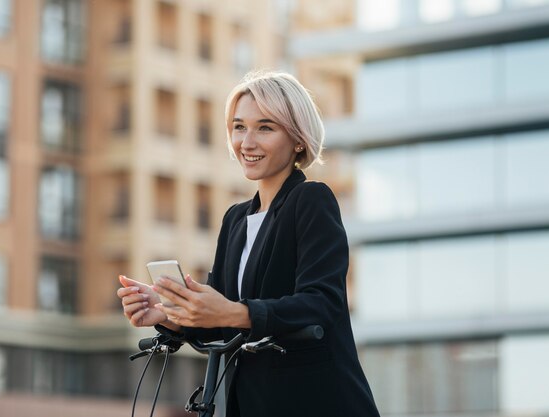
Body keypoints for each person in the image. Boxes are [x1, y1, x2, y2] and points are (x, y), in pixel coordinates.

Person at [117, 71, 380, 417]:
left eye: (265, 128)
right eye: (239, 127)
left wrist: (233, 311)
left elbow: (321, 302)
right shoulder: (235, 220)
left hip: (317, 401)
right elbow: (223, 318)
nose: (247, 142)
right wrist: (169, 311)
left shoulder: (312, 199)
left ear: (298, 139)